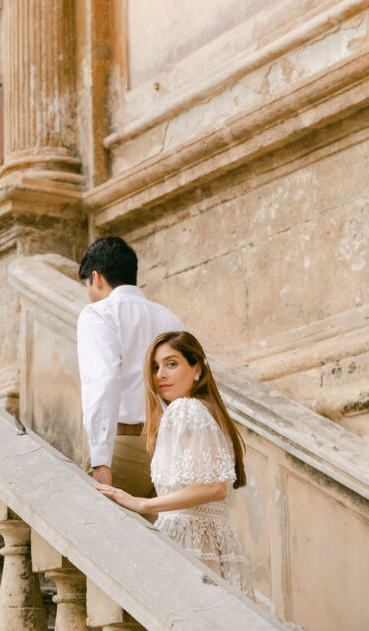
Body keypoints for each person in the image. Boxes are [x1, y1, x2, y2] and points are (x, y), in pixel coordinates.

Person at [95, 330, 254, 598]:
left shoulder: (186, 410)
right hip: (211, 540)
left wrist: (142, 503)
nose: (160, 375)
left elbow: (215, 487)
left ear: (198, 369)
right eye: (155, 367)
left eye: (171, 363)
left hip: (191, 540)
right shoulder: (206, 410)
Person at [77, 237, 184, 496]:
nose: (90, 294)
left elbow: (103, 381)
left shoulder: (98, 313)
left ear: (96, 277)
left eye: (88, 286)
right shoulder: (171, 318)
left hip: (123, 447)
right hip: (170, 453)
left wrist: (101, 459)